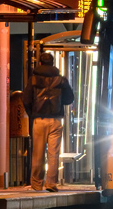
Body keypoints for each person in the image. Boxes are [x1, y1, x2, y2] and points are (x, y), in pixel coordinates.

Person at [22, 52, 75, 192]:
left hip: (39, 119)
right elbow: (69, 99)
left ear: (40, 63)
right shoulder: (61, 80)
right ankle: (51, 183)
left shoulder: (33, 80)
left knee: (38, 152)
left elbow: (26, 100)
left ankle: (36, 183)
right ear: (52, 64)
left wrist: (32, 114)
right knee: (53, 153)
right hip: (56, 119)